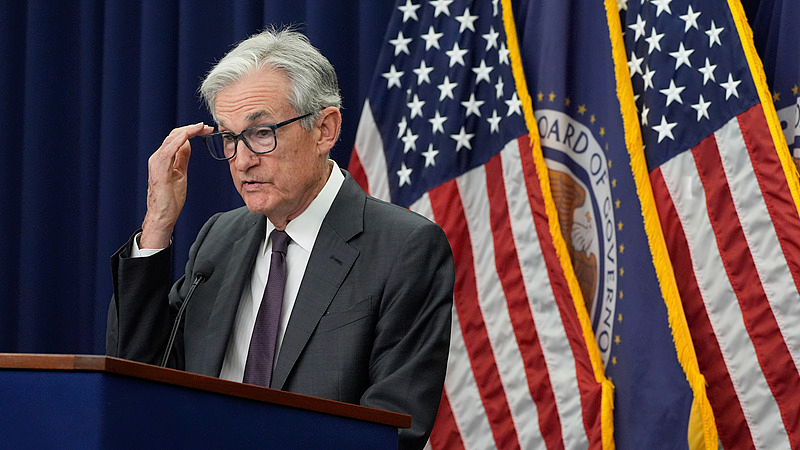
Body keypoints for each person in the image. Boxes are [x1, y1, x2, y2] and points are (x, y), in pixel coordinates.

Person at [106, 27, 454, 449]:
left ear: (325, 129)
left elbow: (395, 431)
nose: (243, 160)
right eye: (230, 138)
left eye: (261, 133)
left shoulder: (404, 248)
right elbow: (141, 380)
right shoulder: (219, 238)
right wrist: (158, 224)